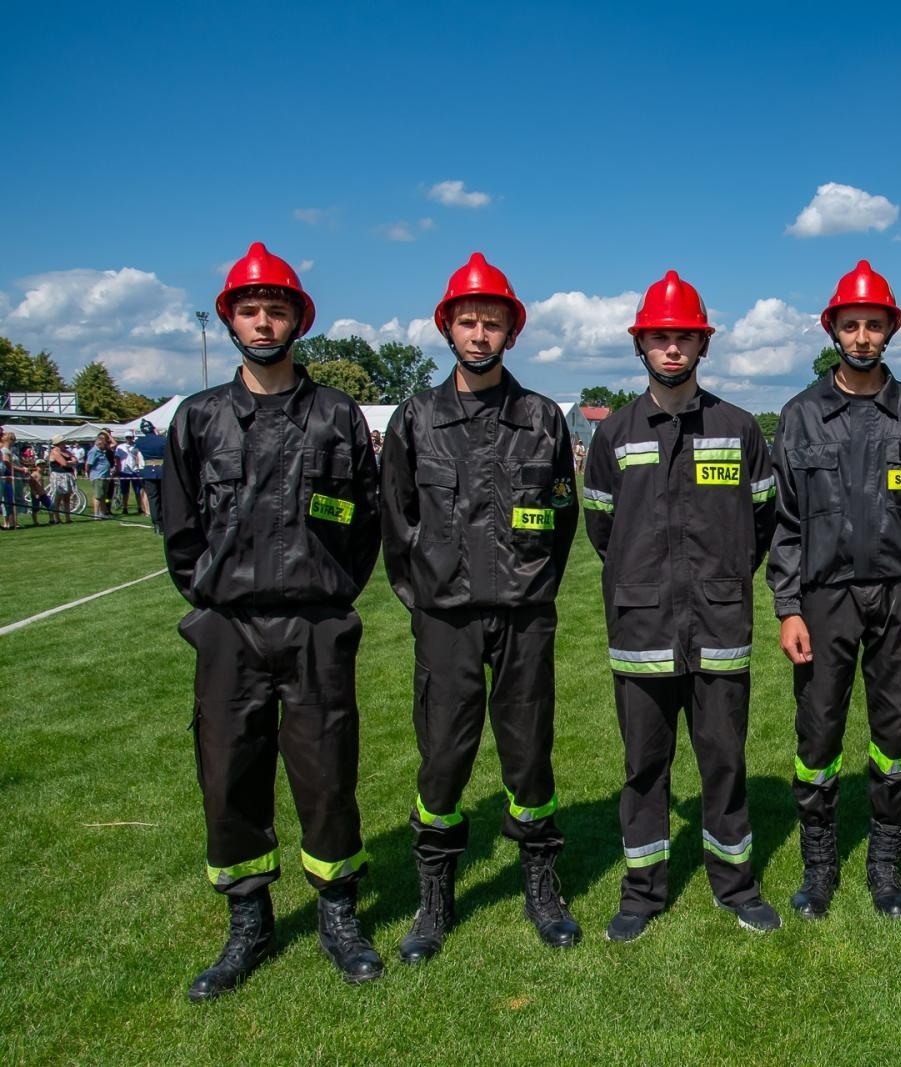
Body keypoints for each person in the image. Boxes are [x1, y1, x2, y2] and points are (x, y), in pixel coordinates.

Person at [163, 242, 384, 999]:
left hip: (317, 626)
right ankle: (248, 923)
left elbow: (363, 524)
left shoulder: (336, 417)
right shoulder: (197, 420)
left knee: (327, 777)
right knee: (229, 778)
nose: (264, 322)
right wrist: (217, 597)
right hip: (228, 629)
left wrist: (325, 591)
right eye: (250, 309)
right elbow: (180, 532)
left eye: (277, 308)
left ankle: (337, 914)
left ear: (299, 319)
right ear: (230, 319)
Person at [380, 253, 582, 961]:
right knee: (442, 761)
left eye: (491, 321)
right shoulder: (416, 418)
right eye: (467, 320)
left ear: (510, 331)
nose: (478, 332)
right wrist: (430, 601)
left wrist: (531, 587)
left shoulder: (542, 419)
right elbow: (396, 523)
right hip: (446, 620)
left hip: (525, 615)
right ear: (448, 327)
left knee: (530, 759)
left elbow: (562, 518)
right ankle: (435, 899)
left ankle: (540, 884)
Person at [583, 270, 780, 941]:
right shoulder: (613, 434)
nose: (673, 348)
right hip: (641, 629)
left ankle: (736, 884)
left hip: (721, 627)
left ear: (703, 345)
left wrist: (721, 577)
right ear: (641, 345)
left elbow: (761, 521)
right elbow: (602, 528)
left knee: (724, 761)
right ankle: (642, 892)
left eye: (684, 337)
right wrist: (646, 581)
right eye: (661, 337)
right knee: (644, 767)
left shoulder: (739, 428)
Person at [769, 260, 901, 920]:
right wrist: (788, 607)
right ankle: (818, 866)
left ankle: (885, 863)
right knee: (817, 736)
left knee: (896, 734)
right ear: (832, 330)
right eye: (850, 324)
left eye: (873, 324)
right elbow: (786, 523)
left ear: (890, 331)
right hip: (823, 601)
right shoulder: (799, 417)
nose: (861, 335)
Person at [135, 419, 165, 535]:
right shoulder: (162, 440)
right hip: (162, 470)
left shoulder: (140, 441)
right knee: (164, 498)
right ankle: (164, 522)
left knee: (153, 499)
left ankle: (157, 524)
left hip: (148, 471)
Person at [86, 431, 115, 519]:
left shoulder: (102, 451)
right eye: (104, 443)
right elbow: (88, 464)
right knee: (98, 496)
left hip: (104, 476)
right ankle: (96, 514)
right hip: (98, 476)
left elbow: (114, 444)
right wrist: (87, 473)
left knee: (103, 496)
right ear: (99, 442)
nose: (106, 445)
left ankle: (103, 513)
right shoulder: (94, 451)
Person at [47, 441, 75, 523]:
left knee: (67, 498)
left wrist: (71, 462)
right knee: (57, 498)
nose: (64, 444)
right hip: (58, 476)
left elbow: (75, 459)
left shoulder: (66, 452)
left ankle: (68, 518)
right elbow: (64, 463)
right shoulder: (55, 452)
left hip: (67, 475)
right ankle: (57, 518)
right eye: (63, 443)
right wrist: (70, 463)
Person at [0, 431, 18, 529]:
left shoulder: (9, 450)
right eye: (13, 440)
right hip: (5, 477)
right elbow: (7, 463)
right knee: (5, 501)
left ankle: (11, 522)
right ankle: (8, 522)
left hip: (7, 476)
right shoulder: (4, 450)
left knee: (9, 500)